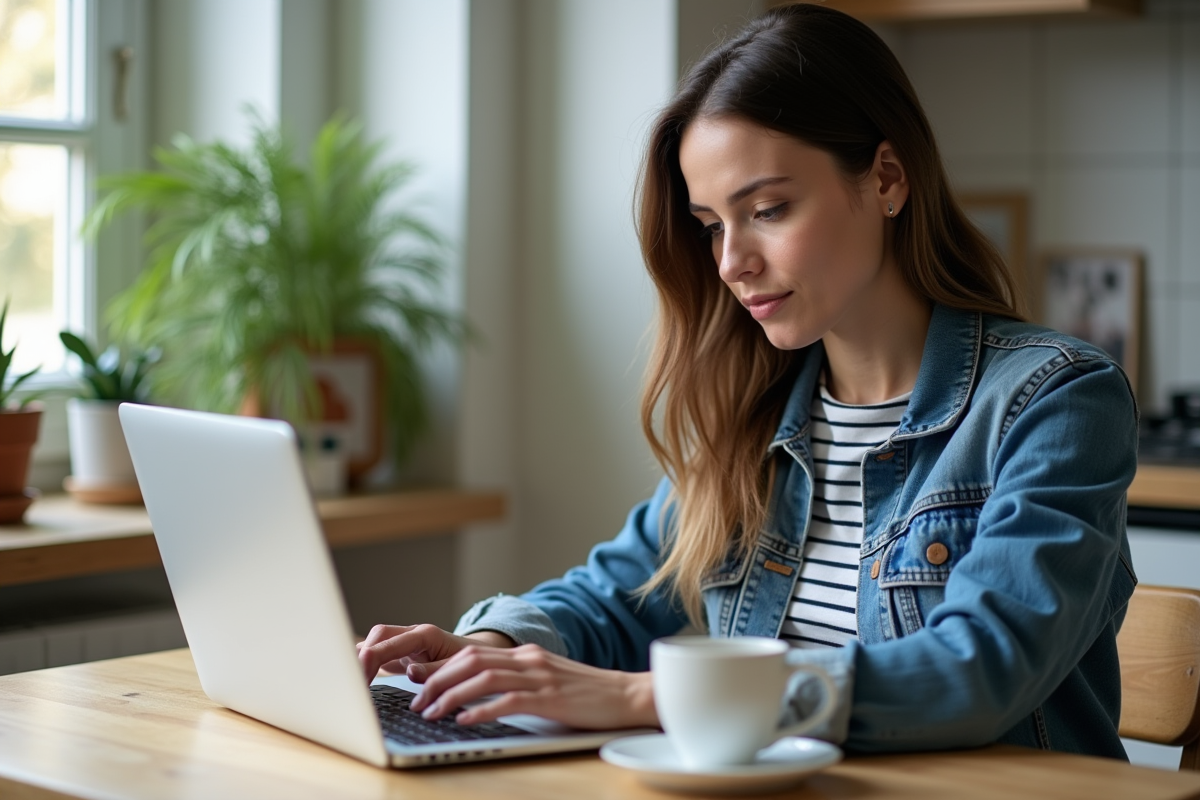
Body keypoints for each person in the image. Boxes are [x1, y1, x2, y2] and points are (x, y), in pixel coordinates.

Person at [358, 4, 1138, 758]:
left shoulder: (1057, 400)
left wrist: (647, 698)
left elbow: (981, 667)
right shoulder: (756, 416)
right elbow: (617, 594)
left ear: (888, 178)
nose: (732, 261)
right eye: (710, 226)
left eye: (767, 208)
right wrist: (485, 646)